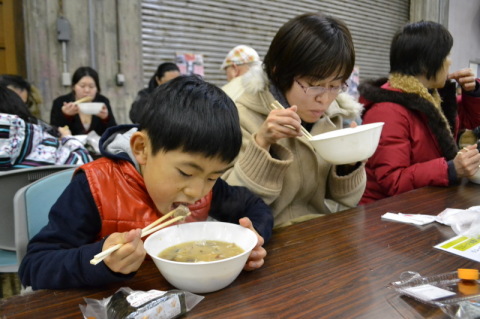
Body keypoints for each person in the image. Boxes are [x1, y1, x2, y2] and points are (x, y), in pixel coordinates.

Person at [19, 75, 273, 290]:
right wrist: (101, 259)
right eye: (185, 173)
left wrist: (252, 239)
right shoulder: (96, 186)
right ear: (141, 148)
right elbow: (34, 266)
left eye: (213, 177)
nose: (197, 192)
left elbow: (255, 207)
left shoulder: (205, 185)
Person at [221, 12, 366, 228]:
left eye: (335, 85)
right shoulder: (239, 114)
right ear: (279, 73)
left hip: (317, 235)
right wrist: (261, 143)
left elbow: (346, 201)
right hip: (263, 240)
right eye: (313, 84)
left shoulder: (333, 116)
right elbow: (229, 208)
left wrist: (349, 164)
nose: (324, 98)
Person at [358, 21, 480, 204]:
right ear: (425, 63)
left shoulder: (433, 97)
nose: (450, 61)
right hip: (383, 215)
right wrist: (450, 170)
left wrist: (473, 91)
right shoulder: (387, 111)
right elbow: (393, 180)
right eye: (446, 55)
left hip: (420, 206)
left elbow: (469, 121)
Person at [0, 86, 92, 169]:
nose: (87, 90)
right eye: (82, 85)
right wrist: (68, 138)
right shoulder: (47, 147)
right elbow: (86, 169)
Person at [50, 66, 117, 136]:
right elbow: (54, 132)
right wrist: (66, 116)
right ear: (73, 87)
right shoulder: (60, 102)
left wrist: (106, 119)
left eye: (91, 86)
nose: (87, 90)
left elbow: (114, 132)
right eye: (82, 86)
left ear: (97, 88)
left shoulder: (102, 102)